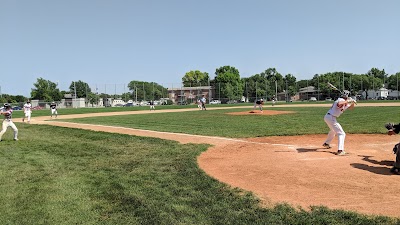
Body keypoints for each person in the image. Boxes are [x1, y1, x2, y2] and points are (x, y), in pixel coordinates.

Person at [322, 90, 356, 155]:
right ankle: (340, 150)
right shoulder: (340, 100)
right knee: (342, 133)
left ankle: (326, 143)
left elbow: (351, 108)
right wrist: (349, 100)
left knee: (333, 130)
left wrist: (353, 102)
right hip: (331, 117)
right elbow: (339, 104)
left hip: (328, 117)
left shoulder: (345, 102)